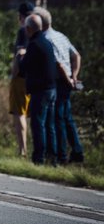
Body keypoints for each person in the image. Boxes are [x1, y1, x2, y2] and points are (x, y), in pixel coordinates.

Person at [32, 7, 84, 165]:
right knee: (67, 118)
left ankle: (61, 155)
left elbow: (58, 63)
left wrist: (67, 79)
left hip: (59, 81)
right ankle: (77, 151)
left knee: (58, 120)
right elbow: (76, 55)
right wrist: (74, 75)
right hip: (68, 79)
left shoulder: (46, 40)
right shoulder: (60, 36)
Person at [20, 13, 68, 166]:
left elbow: (23, 68)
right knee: (50, 124)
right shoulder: (46, 42)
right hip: (52, 89)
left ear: (29, 29)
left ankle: (39, 158)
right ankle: (52, 157)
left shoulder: (34, 45)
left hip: (40, 91)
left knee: (38, 124)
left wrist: (21, 56)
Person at [8, 2, 33, 157]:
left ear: (21, 16)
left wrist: (14, 73)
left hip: (21, 78)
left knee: (20, 113)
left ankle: (22, 150)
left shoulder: (23, 31)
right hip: (36, 78)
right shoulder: (40, 30)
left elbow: (20, 53)